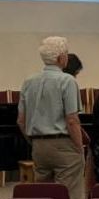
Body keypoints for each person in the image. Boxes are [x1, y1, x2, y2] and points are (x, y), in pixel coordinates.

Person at [16, 36, 85, 199]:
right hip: (64, 144)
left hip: (38, 145)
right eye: (66, 53)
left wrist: (34, 141)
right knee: (68, 193)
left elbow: (20, 120)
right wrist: (79, 146)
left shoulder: (28, 82)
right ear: (61, 57)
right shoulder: (67, 81)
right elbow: (72, 120)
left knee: (43, 193)